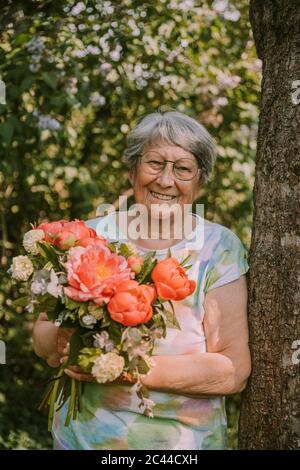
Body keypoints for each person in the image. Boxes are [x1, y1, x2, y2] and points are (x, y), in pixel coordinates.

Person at [33, 110, 251, 450]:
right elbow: (42, 337)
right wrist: (64, 337)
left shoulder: (218, 247)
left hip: (182, 446)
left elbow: (232, 371)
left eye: (182, 169)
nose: (165, 181)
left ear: (200, 179)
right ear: (134, 168)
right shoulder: (90, 236)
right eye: (154, 164)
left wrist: (124, 369)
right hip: (83, 441)